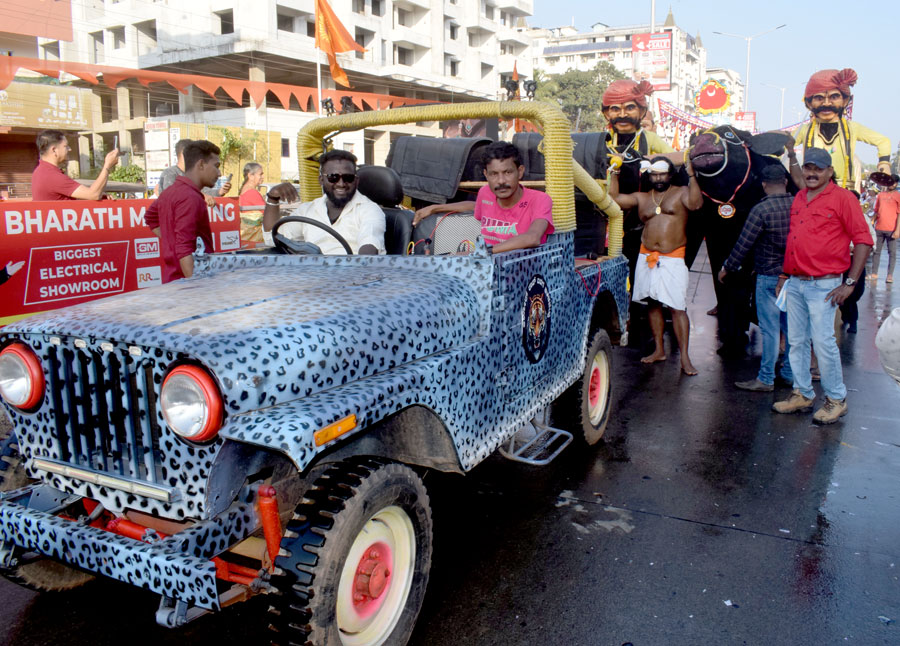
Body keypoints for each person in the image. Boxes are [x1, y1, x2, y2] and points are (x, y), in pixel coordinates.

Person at [773, 148, 872, 424]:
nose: (812, 173)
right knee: (796, 341)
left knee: (823, 342)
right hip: (796, 282)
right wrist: (784, 276)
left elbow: (863, 240)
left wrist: (849, 283)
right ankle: (802, 393)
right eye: (808, 168)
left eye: (819, 169)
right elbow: (795, 239)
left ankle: (837, 400)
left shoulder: (843, 199)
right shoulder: (800, 197)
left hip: (824, 284)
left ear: (830, 171)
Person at [609, 156, 703, 375]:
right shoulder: (642, 197)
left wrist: (691, 174)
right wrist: (614, 172)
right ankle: (659, 350)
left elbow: (696, 204)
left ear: (670, 175)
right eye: (655, 175)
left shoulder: (681, 192)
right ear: (649, 176)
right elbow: (613, 199)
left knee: (677, 307)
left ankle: (685, 358)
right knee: (652, 303)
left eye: (663, 174)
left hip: (673, 257)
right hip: (647, 256)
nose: (659, 178)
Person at [718, 164, 794, 391]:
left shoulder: (761, 209)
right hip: (793, 276)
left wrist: (728, 267)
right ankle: (789, 374)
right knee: (791, 329)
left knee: (770, 330)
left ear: (763, 185)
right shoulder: (798, 205)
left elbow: (744, 243)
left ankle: (766, 378)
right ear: (785, 182)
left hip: (768, 276)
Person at [411, 141, 554, 253]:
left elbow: (533, 237)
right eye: (494, 174)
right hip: (487, 268)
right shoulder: (485, 193)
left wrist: (483, 253)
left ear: (520, 171)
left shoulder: (540, 199)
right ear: (486, 175)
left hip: (524, 271)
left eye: (508, 172)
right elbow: (475, 206)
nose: (501, 181)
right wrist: (434, 208)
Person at [262, 150, 385, 255]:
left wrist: (359, 267)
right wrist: (273, 198)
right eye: (333, 177)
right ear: (321, 180)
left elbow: (369, 246)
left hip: (354, 273)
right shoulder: (307, 210)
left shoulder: (370, 210)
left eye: (348, 178)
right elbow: (271, 239)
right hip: (313, 273)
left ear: (356, 181)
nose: (341, 184)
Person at [789, 69, 891, 191]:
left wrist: (884, 164)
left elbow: (883, 141)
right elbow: (782, 144)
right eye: (819, 98)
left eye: (834, 97)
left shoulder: (852, 128)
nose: (826, 103)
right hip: (814, 192)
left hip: (844, 191)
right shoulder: (805, 130)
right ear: (808, 103)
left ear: (845, 101)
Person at [143, 140, 221, 282]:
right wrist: (196, 286)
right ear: (201, 164)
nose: (219, 173)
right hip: (187, 284)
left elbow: (150, 218)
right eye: (216, 166)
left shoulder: (172, 191)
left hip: (173, 280)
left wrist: (171, 241)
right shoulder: (190, 197)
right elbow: (185, 250)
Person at [31, 129, 119, 201]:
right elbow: (93, 194)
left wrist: (99, 194)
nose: (69, 149)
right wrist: (107, 166)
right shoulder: (51, 176)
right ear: (54, 150)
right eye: (66, 146)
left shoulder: (41, 171)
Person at [155, 138, 229, 206]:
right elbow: (173, 195)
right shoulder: (170, 173)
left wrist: (219, 192)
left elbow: (205, 191)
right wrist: (202, 196)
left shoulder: (193, 175)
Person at [869, 174, 900, 283]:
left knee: (892, 253)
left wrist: (898, 230)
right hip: (879, 228)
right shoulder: (881, 195)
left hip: (892, 229)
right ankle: (874, 273)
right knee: (876, 251)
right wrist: (872, 221)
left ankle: (889, 275)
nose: (892, 184)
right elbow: (876, 210)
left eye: (894, 182)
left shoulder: (898, 196)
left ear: (896, 184)